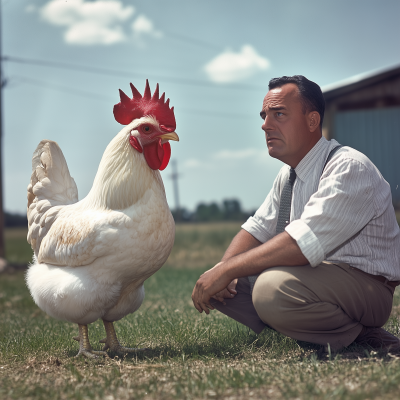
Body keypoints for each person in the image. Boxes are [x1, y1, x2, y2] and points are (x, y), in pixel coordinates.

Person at [191, 75, 400, 352]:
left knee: (269, 289)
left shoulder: (348, 167)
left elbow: (302, 244)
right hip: (315, 278)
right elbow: (256, 229)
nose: (265, 125)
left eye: (279, 114)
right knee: (223, 284)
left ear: (312, 121)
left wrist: (228, 269)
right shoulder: (287, 175)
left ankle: (361, 333)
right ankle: (309, 325)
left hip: (365, 286)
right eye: (264, 116)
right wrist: (221, 270)